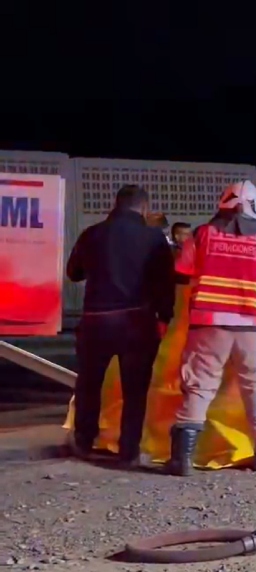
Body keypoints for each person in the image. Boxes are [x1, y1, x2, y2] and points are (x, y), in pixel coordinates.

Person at [166, 180, 256, 476]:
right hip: (252, 329)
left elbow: (182, 273)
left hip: (208, 325)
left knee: (199, 386)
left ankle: (182, 459)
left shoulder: (202, 234)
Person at [66, 185, 175, 467]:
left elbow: (74, 273)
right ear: (144, 208)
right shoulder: (153, 238)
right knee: (135, 390)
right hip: (136, 322)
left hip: (95, 322)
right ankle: (129, 451)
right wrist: (165, 317)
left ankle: (84, 441)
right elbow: (165, 283)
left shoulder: (92, 233)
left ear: (116, 204)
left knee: (89, 384)